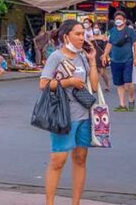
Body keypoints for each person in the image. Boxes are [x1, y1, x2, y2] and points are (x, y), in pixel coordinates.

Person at [40, 19, 99, 205]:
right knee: (58, 160)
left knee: (80, 159)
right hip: (64, 116)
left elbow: (94, 86)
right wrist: (69, 82)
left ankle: (76, 202)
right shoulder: (56, 57)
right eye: (78, 34)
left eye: (83, 34)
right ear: (66, 36)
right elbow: (43, 84)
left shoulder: (82, 57)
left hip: (84, 116)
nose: (82, 38)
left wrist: (92, 60)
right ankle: (49, 202)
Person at [102, 11, 136, 111]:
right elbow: (110, 44)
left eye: (120, 19)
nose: (118, 21)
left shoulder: (130, 31)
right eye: (116, 19)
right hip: (115, 60)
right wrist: (105, 55)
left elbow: (135, 44)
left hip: (128, 60)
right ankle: (122, 105)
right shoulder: (112, 31)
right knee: (119, 83)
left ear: (124, 20)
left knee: (128, 83)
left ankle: (131, 99)